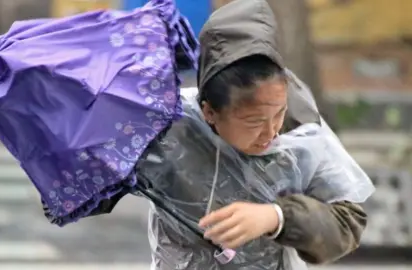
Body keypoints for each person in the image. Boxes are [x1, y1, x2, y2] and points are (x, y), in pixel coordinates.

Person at [138, 0, 375, 269]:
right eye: (254, 121)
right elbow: (100, 181)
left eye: (279, 113)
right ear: (210, 112)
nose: (271, 131)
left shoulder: (300, 130)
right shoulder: (171, 127)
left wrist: (277, 217)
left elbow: (348, 222)